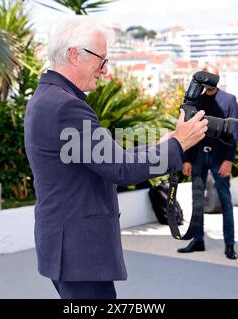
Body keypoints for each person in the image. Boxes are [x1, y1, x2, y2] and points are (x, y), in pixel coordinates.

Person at [24, 16, 209, 299]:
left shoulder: (49, 98)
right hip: (78, 252)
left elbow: (108, 158)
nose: (105, 70)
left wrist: (166, 143)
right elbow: (120, 169)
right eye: (101, 59)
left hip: (68, 248)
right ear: (75, 54)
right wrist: (179, 145)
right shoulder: (66, 107)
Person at [177, 65, 238, 260]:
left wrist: (228, 160)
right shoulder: (198, 100)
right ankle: (198, 240)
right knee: (196, 200)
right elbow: (187, 128)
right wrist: (186, 159)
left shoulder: (229, 100)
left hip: (219, 158)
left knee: (225, 201)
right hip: (197, 157)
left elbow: (233, 132)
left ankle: (229, 244)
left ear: (218, 78)